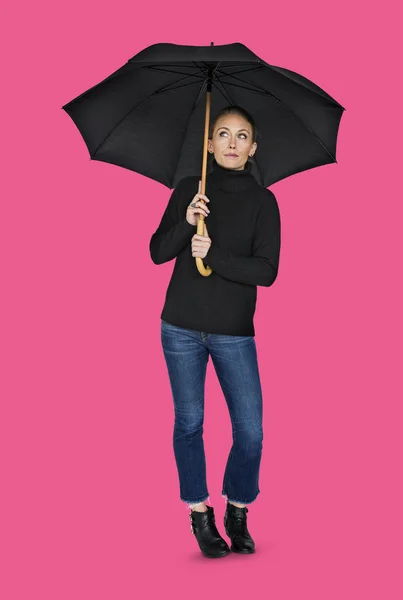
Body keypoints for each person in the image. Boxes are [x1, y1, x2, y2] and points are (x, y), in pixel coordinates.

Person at [150, 105, 281, 558]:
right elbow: (156, 252)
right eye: (222, 133)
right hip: (180, 327)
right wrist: (187, 223)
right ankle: (199, 512)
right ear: (208, 143)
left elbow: (266, 271)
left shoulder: (264, 202)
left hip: (233, 331)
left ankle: (237, 508)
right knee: (189, 423)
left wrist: (216, 254)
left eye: (241, 136)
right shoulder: (192, 189)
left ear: (253, 147)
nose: (230, 142)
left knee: (251, 431)